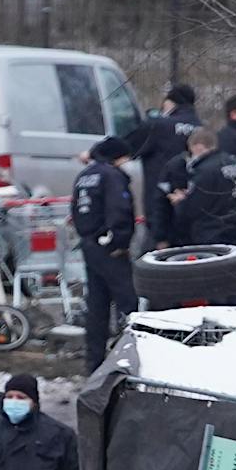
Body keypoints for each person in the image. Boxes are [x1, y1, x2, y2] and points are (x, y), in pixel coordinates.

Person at [70, 135, 138, 371]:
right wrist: (119, 241)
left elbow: (75, 210)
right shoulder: (112, 176)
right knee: (127, 301)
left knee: (97, 305)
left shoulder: (84, 176)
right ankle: (131, 355)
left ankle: (94, 361)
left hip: (90, 244)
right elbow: (119, 209)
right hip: (110, 247)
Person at [128, 84, 200, 241]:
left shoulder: (159, 125)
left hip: (160, 206)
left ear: (171, 102)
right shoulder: (203, 129)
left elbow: (127, 147)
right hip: (194, 208)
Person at [174, 125, 236, 247]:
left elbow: (193, 208)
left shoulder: (205, 171)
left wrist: (180, 202)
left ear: (198, 146)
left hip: (213, 232)